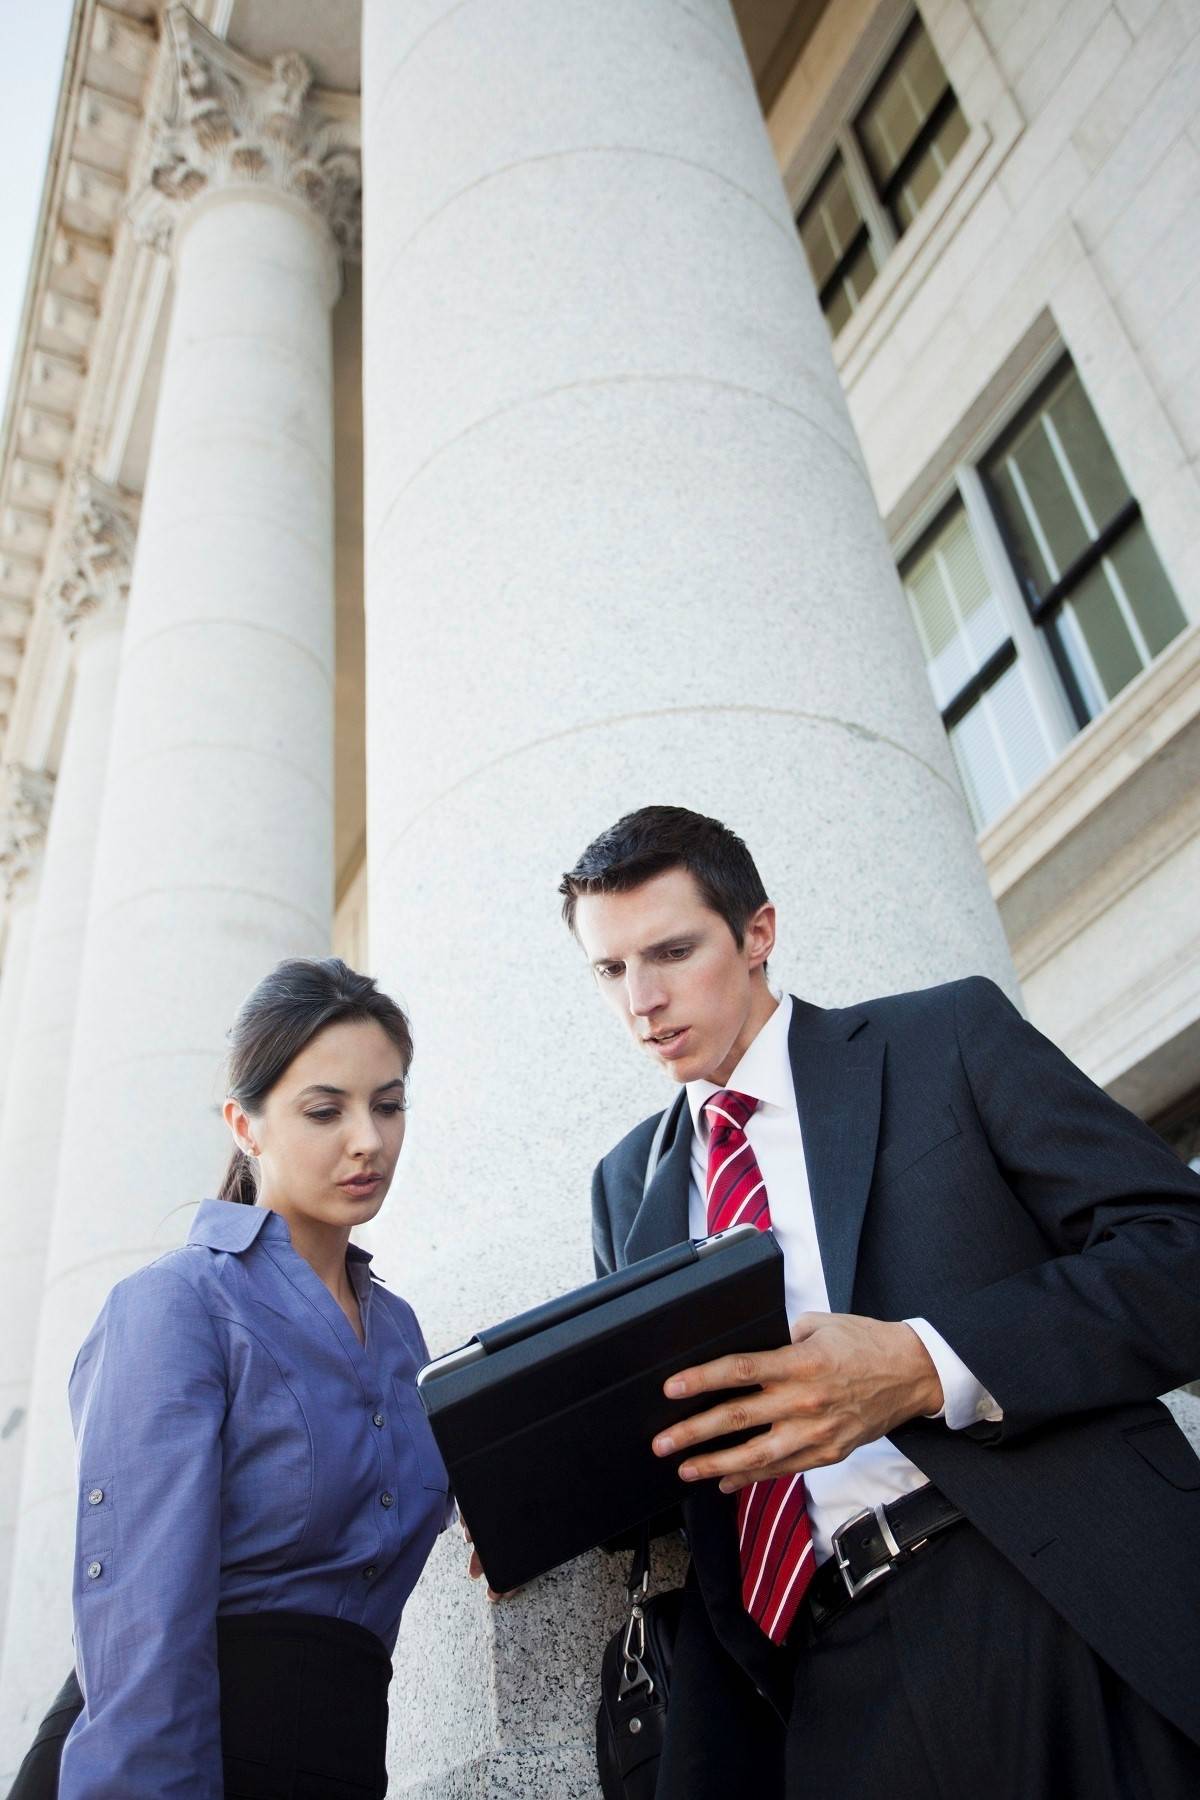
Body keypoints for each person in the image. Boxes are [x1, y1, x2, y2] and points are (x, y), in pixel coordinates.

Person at [560, 805, 1200, 1799]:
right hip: (826, 1683)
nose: (641, 1001)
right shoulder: (622, 1189)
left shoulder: (943, 1036)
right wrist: (541, 1484)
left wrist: (922, 1365)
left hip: (1055, 1598)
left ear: (757, 932)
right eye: (609, 971)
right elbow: (681, 1452)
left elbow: (1180, 1255)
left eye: (672, 952)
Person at [14, 957, 451, 1800]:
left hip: (347, 1759)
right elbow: (144, 1622)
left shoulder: (401, 1339)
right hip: (189, 1755)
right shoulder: (177, 1305)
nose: (369, 1139)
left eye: (389, 1105)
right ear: (244, 1126)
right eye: (325, 1110)